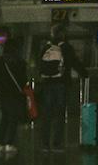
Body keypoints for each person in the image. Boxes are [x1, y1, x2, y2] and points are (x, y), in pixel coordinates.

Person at [37, 24, 87, 152]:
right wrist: (84, 73)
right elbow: (74, 62)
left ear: (52, 34)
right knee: (59, 114)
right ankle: (57, 144)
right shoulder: (66, 47)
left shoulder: (46, 47)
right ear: (63, 34)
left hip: (47, 83)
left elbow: (39, 65)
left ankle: (44, 144)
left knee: (47, 114)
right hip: (61, 83)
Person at [0, 37, 28, 154]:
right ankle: (9, 143)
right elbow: (23, 80)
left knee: (5, 117)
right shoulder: (20, 61)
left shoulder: (0, 61)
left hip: (3, 93)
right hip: (16, 92)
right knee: (13, 117)